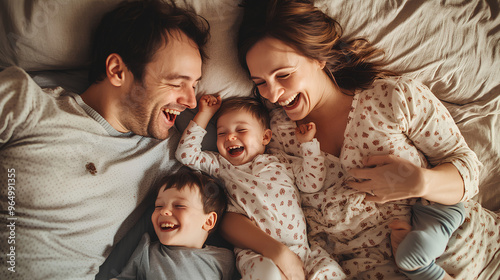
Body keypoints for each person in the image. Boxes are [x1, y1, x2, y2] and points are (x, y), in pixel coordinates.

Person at [222, 0, 500, 279]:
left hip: (478, 256)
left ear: (318, 58)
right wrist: (280, 253)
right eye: (260, 83)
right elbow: (240, 205)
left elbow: (469, 172)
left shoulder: (393, 98)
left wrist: (420, 182)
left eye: (283, 75)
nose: (273, 93)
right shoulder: (275, 137)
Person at [0, 1, 209, 279]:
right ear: (118, 71)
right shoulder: (27, 104)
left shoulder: (170, 154)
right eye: (176, 83)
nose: (191, 100)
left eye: (194, 85)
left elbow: (233, 199)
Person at [175, 95, 346, 279]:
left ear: (265, 137)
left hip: (302, 250)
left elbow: (312, 183)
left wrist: (308, 145)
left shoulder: (280, 161)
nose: (230, 136)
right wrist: (204, 114)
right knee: (266, 274)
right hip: (254, 251)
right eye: (221, 133)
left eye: (241, 130)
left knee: (331, 272)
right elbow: (186, 154)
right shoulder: (221, 166)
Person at [111, 167, 235, 280]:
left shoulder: (224, 259)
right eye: (158, 206)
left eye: (179, 206)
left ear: (208, 221)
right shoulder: (147, 251)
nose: (164, 211)